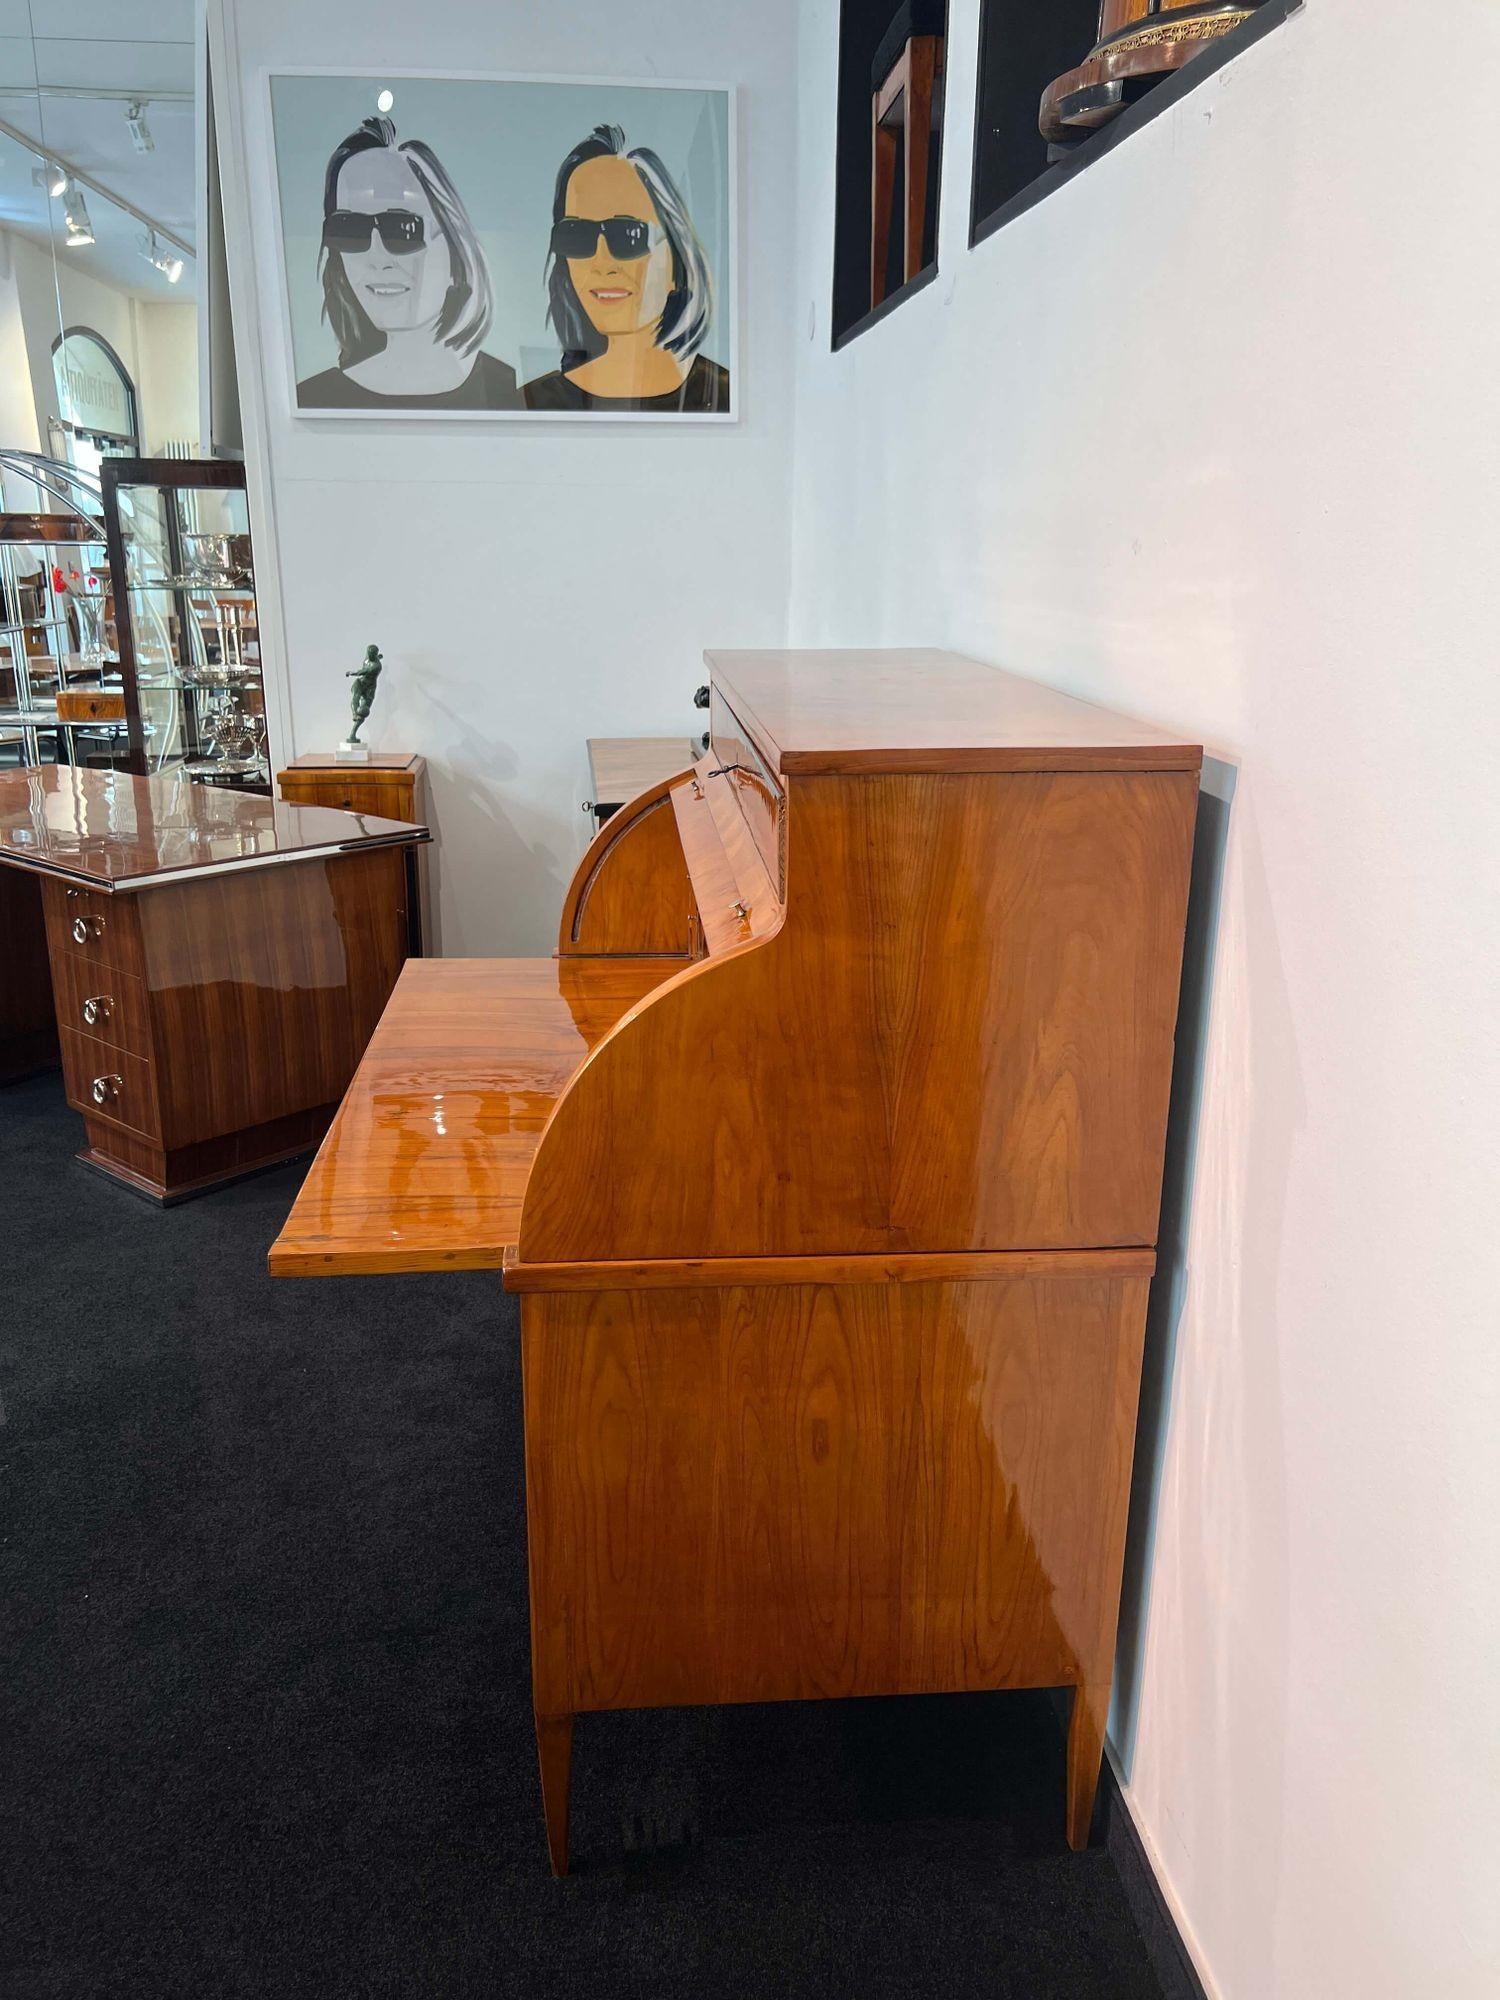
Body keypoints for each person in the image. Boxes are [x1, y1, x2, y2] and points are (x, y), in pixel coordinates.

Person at [296, 114, 519, 411]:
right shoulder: (314, 400)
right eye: (349, 230)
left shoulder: (509, 391)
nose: (376, 259)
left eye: (402, 229)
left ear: (456, 249)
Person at [524, 124, 729, 414]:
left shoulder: (724, 395)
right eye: (576, 236)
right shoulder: (535, 403)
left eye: (628, 236)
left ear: (677, 257)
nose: (602, 263)